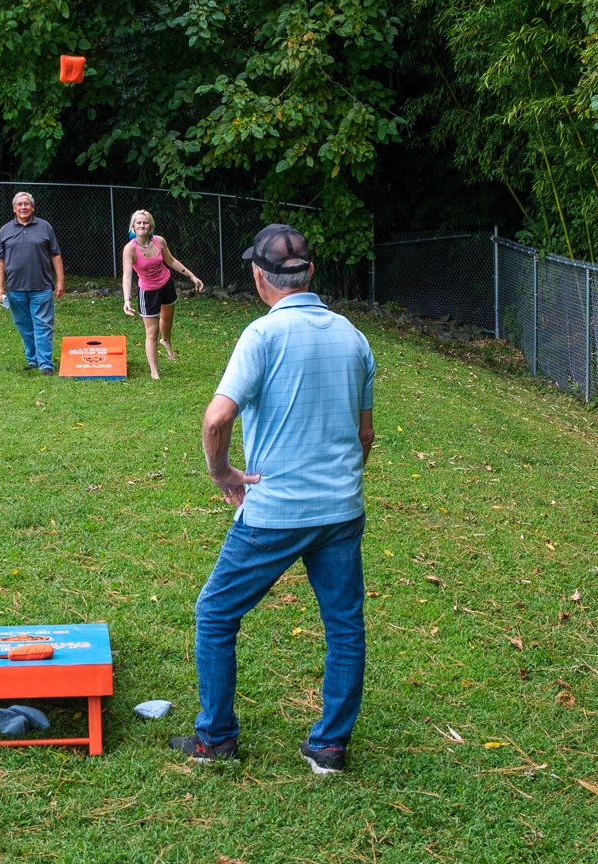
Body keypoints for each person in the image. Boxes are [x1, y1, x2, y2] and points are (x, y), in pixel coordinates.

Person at [169, 224, 375, 774]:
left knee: (215, 613)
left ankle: (216, 738)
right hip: (341, 511)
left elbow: (216, 419)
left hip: (275, 512)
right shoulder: (354, 337)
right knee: (344, 627)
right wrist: (338, 484)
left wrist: (223, 475)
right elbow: (365, 436)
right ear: (309, 272)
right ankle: (330, 747)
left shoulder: (261, 336)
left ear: (260, 277)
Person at [121, 209, 204, 379]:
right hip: (148, 292)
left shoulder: (159, 242)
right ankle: (154, 371)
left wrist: (192, 276)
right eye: (139, 223)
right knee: (152, 333)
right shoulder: (130, 249)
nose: (142, 225)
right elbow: (127, 275)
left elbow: (171, 260)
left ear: (150, 225)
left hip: (166, 284)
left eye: (145, 222)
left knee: (167, 319)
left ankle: (166, 341)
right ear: (133, 227)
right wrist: (126, 299)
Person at [0, 191, 65, 375]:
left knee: (43, 325)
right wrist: (0, 288)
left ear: (32, 207)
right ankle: (32, 360)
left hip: (41, 287)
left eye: (27, 204)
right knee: (24, 326)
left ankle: (46, 364)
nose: (23, 207)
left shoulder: (45, 227)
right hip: (15, 289)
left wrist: (60, 282)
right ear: (14, 208)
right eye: (20, 204)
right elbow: (0, 261)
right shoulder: (5, 230)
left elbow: (56, 256)